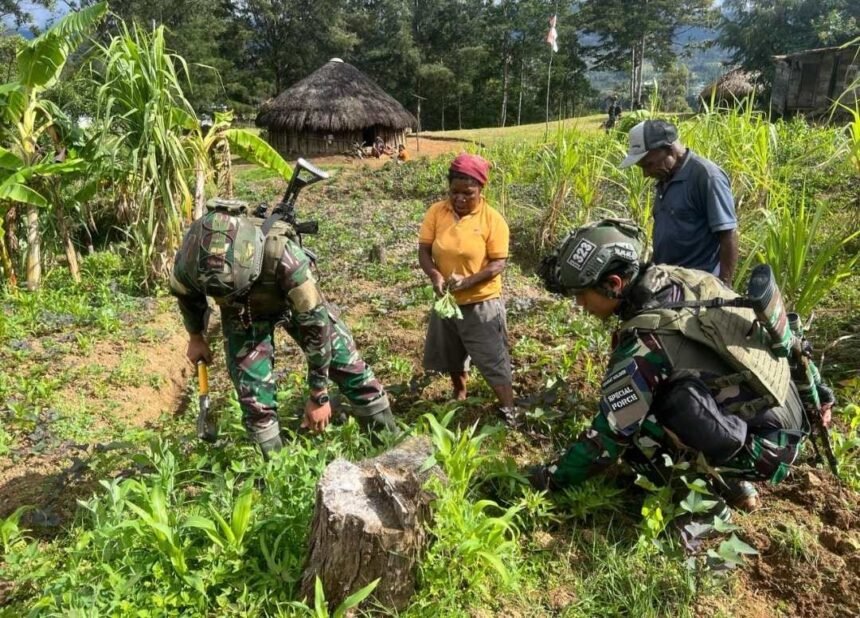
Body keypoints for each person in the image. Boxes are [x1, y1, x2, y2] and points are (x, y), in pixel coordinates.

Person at [530, 219, 835, 511]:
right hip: (787, 410)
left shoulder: (646, 344)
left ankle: (702, 511)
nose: (580, 306)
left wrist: (549, 479)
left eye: (582, 295)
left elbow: (607, 440)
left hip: (768, 449)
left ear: (614, 284)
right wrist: (821, 395)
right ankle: (731, 479)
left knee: (638, 434)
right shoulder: (680, 278)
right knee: (665, 395)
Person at [170, 199, 396, 458]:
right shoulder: (190, 261)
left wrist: (318, 394)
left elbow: (317, 326)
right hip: (244, 315)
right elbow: (186, 296)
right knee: (254, 396)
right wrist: (196, 336)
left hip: (289, 301)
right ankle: (277, 470)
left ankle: (388, 447)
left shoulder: (286, 259)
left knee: (349, 366)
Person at [418, 153, 516, 419]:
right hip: (448, 301)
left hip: (481, 303)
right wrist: (436, 276)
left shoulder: (492, 220)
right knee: (451, 351)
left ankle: (508, 408)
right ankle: (459, 392)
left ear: (481, 190)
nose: (460, 198)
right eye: (454, 192)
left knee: (491, 357)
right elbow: (424, 250)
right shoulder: (437, 212)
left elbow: (498, 263)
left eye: (467, 193)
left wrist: (468, 282)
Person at [619, 119, 739, 287]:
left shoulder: (706, 177)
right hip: (668, 283)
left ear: (669, 149)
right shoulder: (665, 179)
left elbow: (728, 235)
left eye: (649, 164)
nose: (646, 174)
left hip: (698, 286)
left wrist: (723, 287)